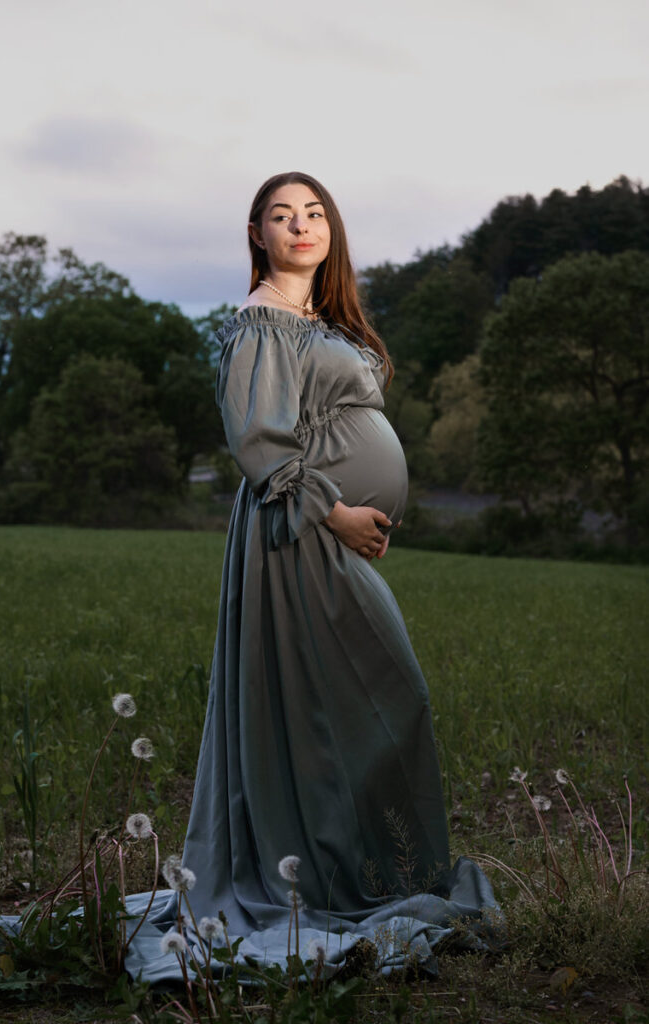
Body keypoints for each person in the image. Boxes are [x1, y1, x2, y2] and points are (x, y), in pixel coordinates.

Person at [126, 171, 497, 981]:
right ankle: (329, 876)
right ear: (256, 233)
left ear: (330, 228)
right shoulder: (262, 318)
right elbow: (261, 445)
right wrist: (339, 514)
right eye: (281, 216)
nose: (301, 225)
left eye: (314, 212)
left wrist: (365, 515)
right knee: (371, 696)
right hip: (294, 531)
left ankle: (369, 868)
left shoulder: (317, 320)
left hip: (327, 530)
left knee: (357, 701)